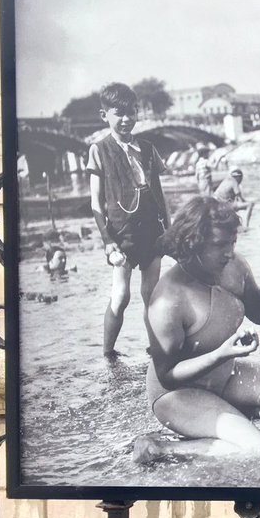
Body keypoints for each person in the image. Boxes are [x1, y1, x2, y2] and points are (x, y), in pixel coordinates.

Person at [137, 197, 260, 461]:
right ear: (192, 244)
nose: (228, 252)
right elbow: (167, 375)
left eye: (232, 242)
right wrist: (221, 353)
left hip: (223, 376)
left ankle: (229, 424)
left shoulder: (235, 266)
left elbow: (258, 314)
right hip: (177, 395)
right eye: (219, 245)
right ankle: (159, 448)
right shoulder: (167, 300)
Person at [86, 82, 170, 359]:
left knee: (152, 296)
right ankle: (108, 352)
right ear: (104, 115)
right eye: (118, 114)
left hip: (153, 233)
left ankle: (155, 349)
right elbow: (96, 202)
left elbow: (160, 193)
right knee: (121, 296)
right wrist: (108, 242)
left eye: (131, 112)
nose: (126, 119)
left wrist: (169, 230)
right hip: (122, 235)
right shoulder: (99, 150)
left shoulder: (147, 147)